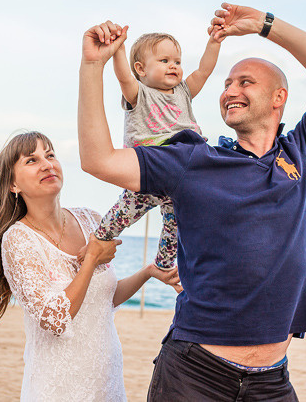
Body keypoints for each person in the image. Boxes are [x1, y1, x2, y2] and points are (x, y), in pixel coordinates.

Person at [77, 3, 306, 401]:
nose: (230, 91)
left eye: (245, 82)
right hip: (195, 374)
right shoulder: (193, 159)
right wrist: (92, 67)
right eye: (226, 84)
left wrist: (264, 25)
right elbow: (98, 160)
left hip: (272, 382)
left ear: (280, 97)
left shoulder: (305, 153)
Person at [0, 131, 180, 402]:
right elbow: (55, 320)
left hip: (107, 383)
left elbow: (103, 299)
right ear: (13, 184)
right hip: (57, 389)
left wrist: (148, 272)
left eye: (50, 155)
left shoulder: (91, 220)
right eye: (32, 160)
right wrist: (91, 258)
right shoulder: (18, 239)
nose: (47, 164)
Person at [92, 29, 222, 269]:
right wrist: (119, 49)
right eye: (164, 61)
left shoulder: (183, 91)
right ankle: (96, 243)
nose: (173, 66)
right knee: (120, 215)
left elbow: (204, 71)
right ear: (141, 69)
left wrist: (214, 42)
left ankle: (163, 265)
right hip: (149, 169)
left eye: (177, 62)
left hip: (181, 172)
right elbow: (123, 78)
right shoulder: (138, 93)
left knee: (174, 226)